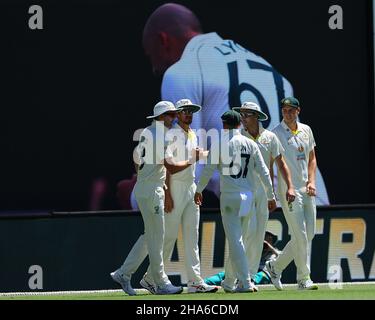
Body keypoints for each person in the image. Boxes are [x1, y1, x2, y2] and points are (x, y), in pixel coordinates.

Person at [141, 2, 330, 206]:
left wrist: (137, 195)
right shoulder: (272, 73)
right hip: (317, 204)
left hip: (262, 210)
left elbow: (185, 177)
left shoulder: (181, 73)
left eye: (152, 57)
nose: (155, 68)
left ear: (163, 41)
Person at [110, 100, 202, 295]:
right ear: (161, 117)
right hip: (152, 191)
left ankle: (124, 273)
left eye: (173, 114)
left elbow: (136, 159)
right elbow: (171, 167)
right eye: (170, 115)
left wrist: (150, 176)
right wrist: (194, 158)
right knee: (157, 238)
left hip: (144, 188)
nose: (174, 117)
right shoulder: (161, 136)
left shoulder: (147, 132)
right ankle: (160, 282)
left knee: (150, 236)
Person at [138, 98, 218, 294]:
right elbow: (167, 167)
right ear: (176, 114)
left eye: (191, 111)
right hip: (173, 189)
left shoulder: (192, 134)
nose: (188, 114)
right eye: (184, 111)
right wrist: (167, 194)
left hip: (190, 188)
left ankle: (195, 282)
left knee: (192, 235)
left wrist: (198, 189)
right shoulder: (170, 135)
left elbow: (193, 160)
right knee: (169, 237)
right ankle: (151, 277)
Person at [194, 110, 277, 293]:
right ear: (240, 124)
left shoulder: (219, 144)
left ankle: (246, 282)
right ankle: (230, 282)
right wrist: (271, 196)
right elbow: (264, 171)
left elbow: (208, 170)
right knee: (238, 241)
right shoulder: (250, 143)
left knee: (236, 242)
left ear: (224, 125)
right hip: (248, 197)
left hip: (230, 196)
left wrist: (199, 190)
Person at [228, 101, 295, 284]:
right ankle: (233, 276)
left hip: (263, 193)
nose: (243, 118)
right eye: (241, 115)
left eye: (247, 114)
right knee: (245, 234)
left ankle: (248, 276)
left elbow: (280, 164)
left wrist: (288, 186)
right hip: (244, 191)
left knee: (258, 236)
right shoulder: (238, 137)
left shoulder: (270, 137)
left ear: (256, 116)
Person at [265, 97, 319, 290]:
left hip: (307, 189)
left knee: (308, 234)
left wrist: (312, 181)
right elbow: (270, 165)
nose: (287, 113)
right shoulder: (274, 134)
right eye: (284, 110)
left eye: (291, 110)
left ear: (298, 111)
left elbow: (312, 158)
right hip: (289, 191)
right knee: (301, 234)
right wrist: (271, 191)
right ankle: (304, 279)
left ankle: (274, 266)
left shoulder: (306, 130)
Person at [204, 231, 281, 286]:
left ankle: (247, 283)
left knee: (262, 275)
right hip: (246, 272)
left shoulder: (275, 251)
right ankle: (205, 283)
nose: (267, 240)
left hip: (263, 274)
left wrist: (270, 248)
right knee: (225, 273)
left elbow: (280, 257)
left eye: (270, 239)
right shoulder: (252, 248)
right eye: (266, 237)